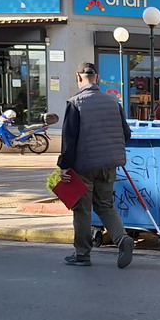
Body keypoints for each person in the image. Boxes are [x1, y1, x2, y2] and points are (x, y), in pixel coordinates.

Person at [57, 62, 135, 268]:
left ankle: (82, 254)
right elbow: (126, 134)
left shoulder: (75, 103)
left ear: (78, 77)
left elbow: (69, 139)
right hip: (109, 164)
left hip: (84, 164)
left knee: (82, 209)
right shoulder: (113, 102)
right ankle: (122, 238)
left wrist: (63, 166)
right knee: (105, 205)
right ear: (97, 78)